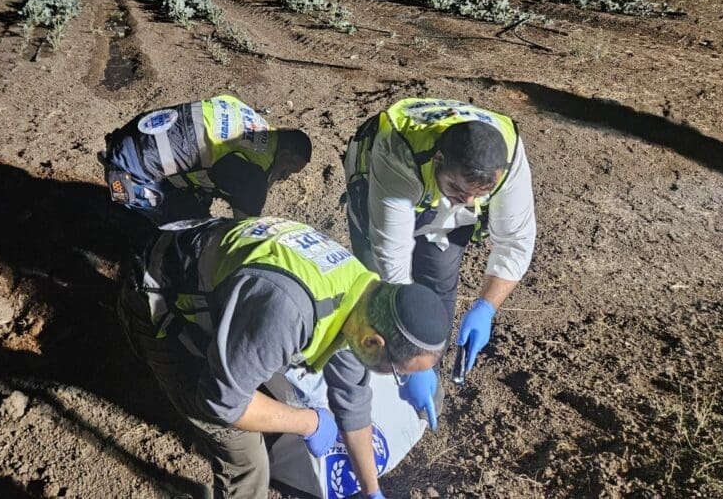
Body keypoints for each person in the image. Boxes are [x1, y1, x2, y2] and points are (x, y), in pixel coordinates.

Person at [118, 216, 450, 499]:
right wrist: (309, 422)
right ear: (374, 342)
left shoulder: (362, 298)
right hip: (155, 295)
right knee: (247, 461)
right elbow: (221, 403)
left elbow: (353, 404)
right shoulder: (288, 311)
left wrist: (371, 490)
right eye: (396, 372)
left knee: (253, 370)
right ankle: (141, 340)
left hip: (202, 258)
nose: (393, 380)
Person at [343, 97, 536, 378]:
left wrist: (485, 307)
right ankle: (373, 378)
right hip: (384, 186)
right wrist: (409, 347)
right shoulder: (398, 149)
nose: (467, 201)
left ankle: (429, 373)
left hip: (436, 202)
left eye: (478, 195)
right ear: (439, 159)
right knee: (375, 289)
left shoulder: (508, 159)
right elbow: (392, 259)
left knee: (438, 283)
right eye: (458, 188)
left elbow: (516, 241)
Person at [100, 94, 312, 223]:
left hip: (133, 132)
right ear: (285, 155)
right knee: (163, 231)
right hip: (128, 169)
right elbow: (244, 228)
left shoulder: (250, 117)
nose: (284, 178)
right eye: (288, 170)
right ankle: (122, 209)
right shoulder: (254, 171)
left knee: (199, 199)